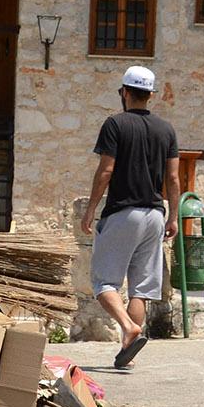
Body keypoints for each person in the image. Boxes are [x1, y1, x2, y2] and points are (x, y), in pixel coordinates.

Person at [79, 65, 178, 370]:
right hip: (155, 215)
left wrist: (92, 207)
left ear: (124, 92)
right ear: (150, 95)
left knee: (103, 282)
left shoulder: (115, 124)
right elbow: (173, 179)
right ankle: (128, 349)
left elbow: (106, 170)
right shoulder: (166, 130)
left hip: (124, 212)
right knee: (141, 289)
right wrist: (173, 216)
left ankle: (129, 327)